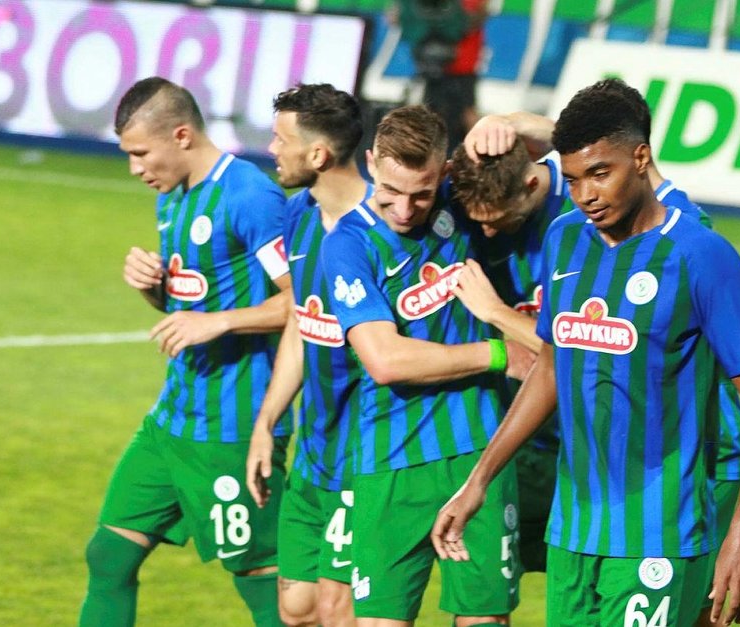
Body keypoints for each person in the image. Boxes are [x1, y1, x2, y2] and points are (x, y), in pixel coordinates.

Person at [432, 85, 740, 627]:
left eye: (600, 174)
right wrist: (479, 479)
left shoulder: (699, 253)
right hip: (573, 528)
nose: (586, 195)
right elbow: (552, 366)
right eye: (573, 179)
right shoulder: (564, 238)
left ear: (641, 159)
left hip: (659, 528)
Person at [80, 77, 293, 626]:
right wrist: (152, 287)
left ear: (181, 136)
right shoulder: (171, 198)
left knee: (263, 582)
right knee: (109, 555)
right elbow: (187, 308)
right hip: (173, 418)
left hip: (233, 426)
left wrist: (221, 321)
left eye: (140, 153)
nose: (135, 169)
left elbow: (306, 302)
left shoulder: (250, 196)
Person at [317, 104, 531, 626]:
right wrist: (498, 353)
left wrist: (508, 124)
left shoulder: (462, 205)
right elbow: (385, 360)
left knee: (484, 620)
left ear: (446, 172)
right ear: (371, 162)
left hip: (479, 452)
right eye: (391, 191)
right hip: (391, 459)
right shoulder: (348, 244)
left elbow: (550, 165)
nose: (405, 209)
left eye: (422, 193)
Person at [245, 83, 373, 627]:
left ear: (318, 154)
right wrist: (267, 422)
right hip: (314, 450)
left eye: (281, 139)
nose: (272, 149)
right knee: (296, 608)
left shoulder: (383, 228)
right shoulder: (298, 214)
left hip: (366, 456)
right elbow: (303, 318)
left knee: (337, 610)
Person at [447, 138, 571, 574]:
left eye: (499, 219)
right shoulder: (478, 224)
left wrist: (495, 312)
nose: (487, 233)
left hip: (585, 450)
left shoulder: (579, 224)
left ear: (531, 185)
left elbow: (581, 345)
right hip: (520, 443)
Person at [392, 0, 487, 150]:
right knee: (431, 112)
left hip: (463, 62)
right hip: (432, 61)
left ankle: (481, 152)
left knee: (466, 113)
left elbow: (477, 16)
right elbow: (395, 16)